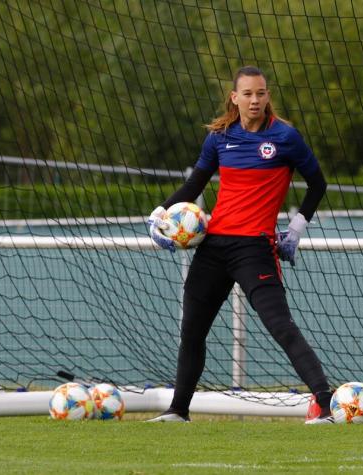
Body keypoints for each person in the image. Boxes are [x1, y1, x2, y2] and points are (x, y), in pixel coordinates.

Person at [146, 66, 335, 424]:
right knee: (192, 329)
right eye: (247, 94)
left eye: (261, 93)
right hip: (213, 248)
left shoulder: (285, 137)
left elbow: (318, 183)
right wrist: (159, 213)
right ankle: (178, 410)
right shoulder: (219, 137)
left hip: (255, 249)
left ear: (267, 96)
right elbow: (194, 186)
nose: (255, 100)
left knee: (280, 325)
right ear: (234, 97)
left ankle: (325, 404)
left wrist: (296, 227)